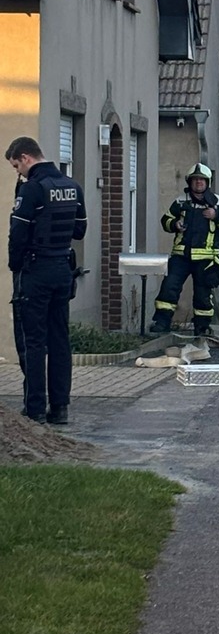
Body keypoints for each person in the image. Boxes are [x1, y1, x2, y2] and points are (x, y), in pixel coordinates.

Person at [6, 136, 87, 424]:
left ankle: (35, 408)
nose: (18, 172)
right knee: (60, 340)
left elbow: (17, 235)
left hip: (36, 271)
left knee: (33, 341)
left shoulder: (32, 189)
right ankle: (60, 408)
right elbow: (79, 231)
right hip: (63, 270)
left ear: (26, 157)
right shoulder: (72, 186)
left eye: (17, 166)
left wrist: (16, 267)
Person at [149, 163, 219, 337]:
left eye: (202, 180)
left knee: (203, 296)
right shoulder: (181, 201)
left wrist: (216, 215)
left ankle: (202, 328)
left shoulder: (218, 202)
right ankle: (161, 323)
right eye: (195, 180)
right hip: (181, 256)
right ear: (189, 182)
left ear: (207, 182)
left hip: (206, 258)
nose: (198, 183)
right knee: (169, 288)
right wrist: (175, 224)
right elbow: (165, 221)